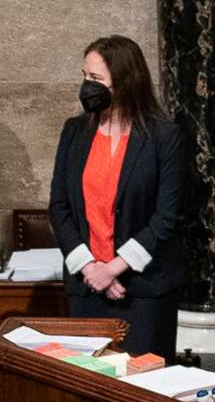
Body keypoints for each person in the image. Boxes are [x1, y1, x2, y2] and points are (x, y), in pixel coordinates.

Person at [46, 35, 192, 361]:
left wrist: (114, 268)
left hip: (143, 289)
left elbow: (167, 216)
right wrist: (90, 267)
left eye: (95, 79)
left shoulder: (164, 136)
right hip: (87, 285)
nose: (86, 86)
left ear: (125, 82)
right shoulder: (74, 131)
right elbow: (59, 207)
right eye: (84, 76)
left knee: (142, 384)